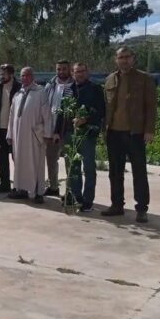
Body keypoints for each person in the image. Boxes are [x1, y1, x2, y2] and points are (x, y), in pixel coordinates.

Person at [102, 47, 157, 223]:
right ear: (116, 59)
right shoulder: (110, 79)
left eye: (127, 57)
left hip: (136, 133)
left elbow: (151, 106)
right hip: (114, 133)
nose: (124, 60)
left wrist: (149, 130)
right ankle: (117, 205)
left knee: (139, 172)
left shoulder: (144, 78)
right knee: (115, 172)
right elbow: (106, 107)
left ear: (133, 59)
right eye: (121, 57)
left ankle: (142, 209)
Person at [54, 63, 105, 212]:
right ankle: (76, 197)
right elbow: (62, 111)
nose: (80, 74)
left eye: (82, 71)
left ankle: (88, 200)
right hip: (70, 134)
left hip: (87, 134)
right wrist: (57, 131)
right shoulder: (68, 89)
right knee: (73, 168)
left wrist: (86, 119)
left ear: (87, 72)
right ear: (72, 73)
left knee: (89, 168)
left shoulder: (95, 89)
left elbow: (101, 111)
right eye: (77, 72)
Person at [7, 67, 52, 203]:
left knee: (36, 164)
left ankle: (38, 193)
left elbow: (47, 114)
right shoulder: (17, 95)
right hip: (18, 137)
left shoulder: (40, 92)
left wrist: (47, 133)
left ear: (32, 77)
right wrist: (10, 134)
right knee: (20, 163)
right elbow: (11, 116)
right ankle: (21, 189)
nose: (24, 78)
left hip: (34, 136)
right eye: (22, 76)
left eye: (27, 75)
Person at [44, 59, 75, 196]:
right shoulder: (50, 85)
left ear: (69, 70)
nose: (61, 72)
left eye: (64, 69)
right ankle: (53, 187)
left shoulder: (75, 86)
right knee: (51, 159)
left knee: (70, 162)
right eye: (58, 69)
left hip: (67, 130)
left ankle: (71, 192)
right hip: (51, 130)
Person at [0, 64, 21, 193]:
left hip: (14, 129)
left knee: (16, 158)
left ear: (11, 74)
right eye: (0, 74)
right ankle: (4, 183)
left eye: (4, 74)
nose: (1, 76)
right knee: (1, 158)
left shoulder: (19, 88)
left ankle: (19, 185)